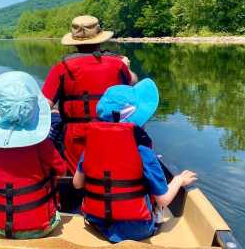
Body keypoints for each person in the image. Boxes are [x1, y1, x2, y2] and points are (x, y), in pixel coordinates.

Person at [72, 79, 197, 243]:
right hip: (137, 230)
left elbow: (77, 184)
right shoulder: (144, 151)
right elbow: (163, 199)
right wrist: (179, 180)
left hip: (97, 223)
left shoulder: (92, 147)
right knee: (158, 205)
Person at [42, 15, 138, 173]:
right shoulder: (116, 63)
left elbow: (45, 105)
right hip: (112, 131)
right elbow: (133, 80)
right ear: (99, 39)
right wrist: (126, 66)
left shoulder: (61, 67)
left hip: (76, 137)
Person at [0, 71, 67, 239]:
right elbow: (62, 171)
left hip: (1, 228)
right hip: (42, 227)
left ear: (0, 110)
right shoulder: (43, 144)